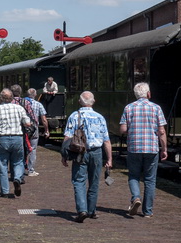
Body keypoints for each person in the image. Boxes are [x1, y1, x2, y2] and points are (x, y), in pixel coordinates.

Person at [61, 91, 112, 223]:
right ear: (93, 102)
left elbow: (68, 137)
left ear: (79, 102)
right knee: (94, 182)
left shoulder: (74, 116)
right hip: (96, 152)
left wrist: (64, 155)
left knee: (79, 181)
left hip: (79, 152)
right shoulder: (100, 117)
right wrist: (109, 159)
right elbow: (106, 140)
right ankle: (91, 211)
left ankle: (82, 210)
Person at [119, 82, 167, 218]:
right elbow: (161, 131)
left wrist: (131, 130)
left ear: (135, 95)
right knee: (150, 180)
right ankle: (148, 211)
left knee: (133, 175)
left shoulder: (129, 108)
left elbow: (122, 129)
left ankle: (136, 198)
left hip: (134, 147)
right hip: (151, 148)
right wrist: (164, 149)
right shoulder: (156, 108)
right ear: (148, 94)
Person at [0, 88, 31, 198]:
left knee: (3, 165)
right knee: (18, 161)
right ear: (12, 98)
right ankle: (17, 178)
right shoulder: (19, 108)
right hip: (17, 138)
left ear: (1, 98)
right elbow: (28, 124)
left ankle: (5, 191)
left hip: (2, 139)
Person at [10, 84, 35, 181]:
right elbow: (32, 116)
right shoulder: (26, 102)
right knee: (22, 154)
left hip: (11, 130)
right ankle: (20, 176)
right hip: (23, 131)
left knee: (11, 156)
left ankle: (13, 175)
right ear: (20, 92)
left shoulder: (8, 103)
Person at [24, 87, 50, 176]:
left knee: (22, 148)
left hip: (23, 128)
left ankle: (20, 168)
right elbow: (44, 119)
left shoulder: (21, 103)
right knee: (33, 148)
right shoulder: (38, 105)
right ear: (35, 95)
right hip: (34, 128)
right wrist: (46, 130)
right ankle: (31, 170)